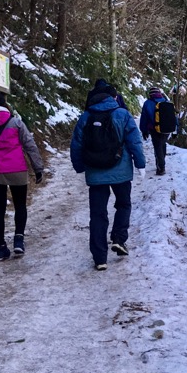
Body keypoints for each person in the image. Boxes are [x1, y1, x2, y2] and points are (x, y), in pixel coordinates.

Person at [70, 81, 145, 270]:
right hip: (120, 172)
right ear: (113, 97)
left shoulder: (86, 116)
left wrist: (79, 166)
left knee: (97, 214)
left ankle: (100, 258)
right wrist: (140, 164)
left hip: (95, 172)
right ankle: (119, 238)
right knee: (123, 204)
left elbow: (76, 144)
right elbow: (134, 141)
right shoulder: (122, 114)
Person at [0, 87, 44, 261]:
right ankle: (18, 241)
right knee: (20, 206)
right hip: (17, 170)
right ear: (4, 104)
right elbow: (30, 145)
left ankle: (0, 248)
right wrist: (38, 168)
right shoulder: (16, 122)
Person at [140, 86, 174, 175]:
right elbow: (173, 117)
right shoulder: (166, 102)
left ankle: (161, 167)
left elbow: (144, 118)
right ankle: (160, 163)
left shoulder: (148, 103)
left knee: (157, 147)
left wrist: (144, 130)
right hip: (167, 129)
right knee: (162, 145)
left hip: (154, 129)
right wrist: (175, 129)